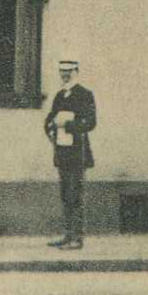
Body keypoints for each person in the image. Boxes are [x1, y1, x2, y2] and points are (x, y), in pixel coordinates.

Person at [45, 59, 97, 250]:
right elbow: (49, 119)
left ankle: (77, 238)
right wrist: (50, 128)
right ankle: (67, 235)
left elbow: (90, 122)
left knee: (76, 195)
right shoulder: (59, 95)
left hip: (78, 151)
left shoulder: (85, 95)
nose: (65, 75)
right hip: (62, 151)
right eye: (62, 72)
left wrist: (67, 125)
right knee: (65, 194)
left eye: (68, 71)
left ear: (76, 71)